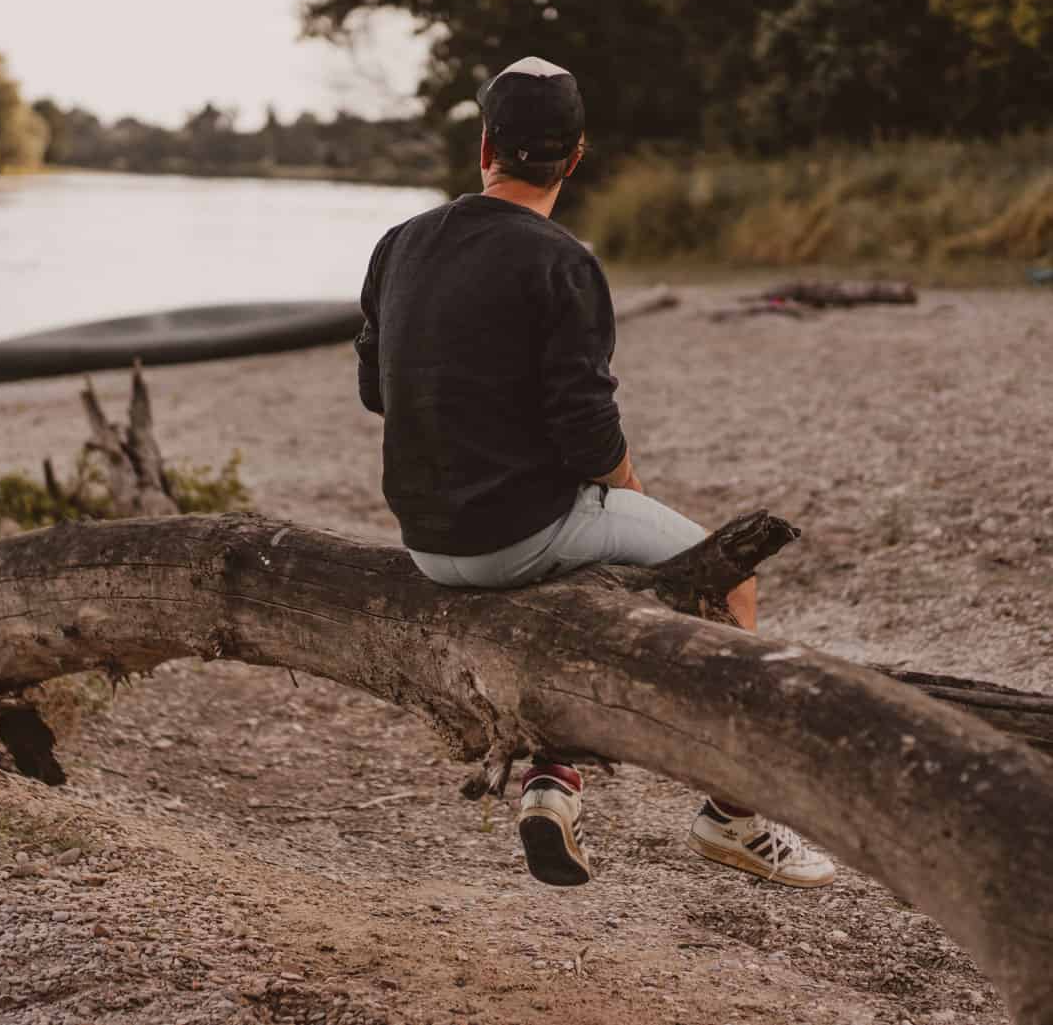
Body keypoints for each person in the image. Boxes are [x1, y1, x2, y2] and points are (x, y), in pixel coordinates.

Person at [353, 56, 834, 890]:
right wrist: (637, 512)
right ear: (576, 159)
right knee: (731, 580)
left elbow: (374, 390)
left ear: (484, 145)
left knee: (580, 571)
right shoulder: (561, 260)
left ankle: (554, 779)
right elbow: (586, 432)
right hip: (517, 532)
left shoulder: (400, 243)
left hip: (427, 538)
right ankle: (736, 815)